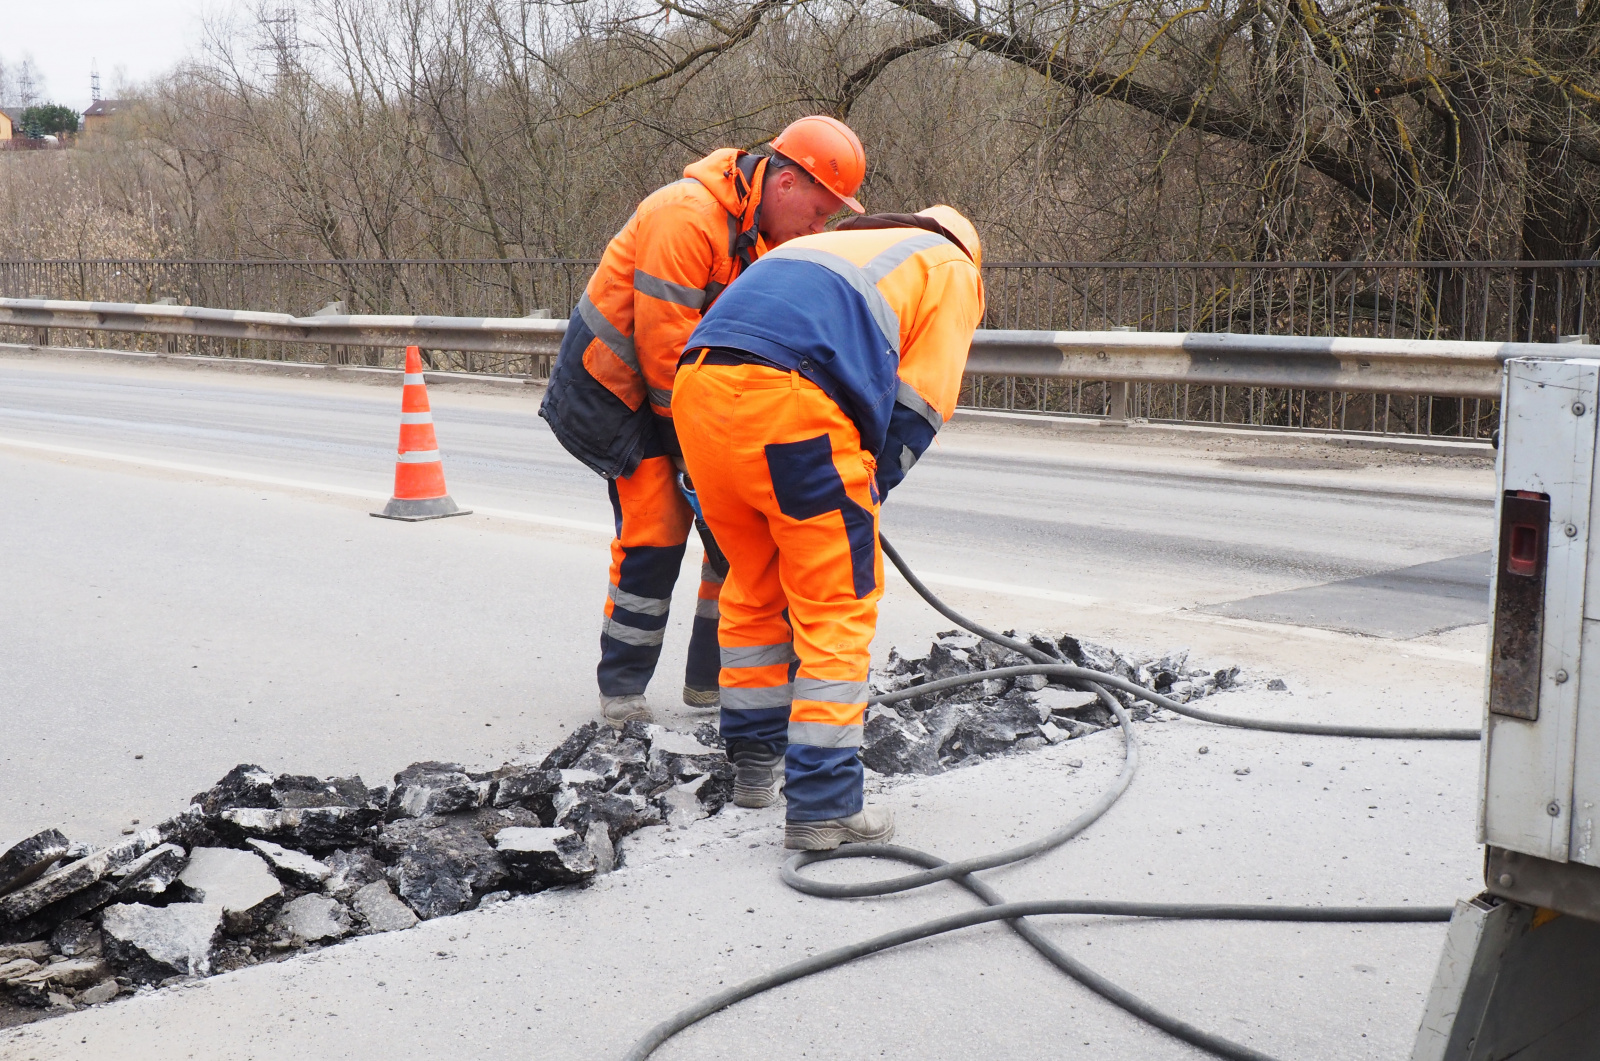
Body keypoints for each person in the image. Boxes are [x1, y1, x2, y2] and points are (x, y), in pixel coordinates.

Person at [672, 206, 985, 848]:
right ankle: (824, 804)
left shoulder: (821, 248)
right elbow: (923, 400)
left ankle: (755, 772)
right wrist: (874, 484)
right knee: (834, 605)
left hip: (698, 392)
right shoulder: (951, 266)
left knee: (753, 586)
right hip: (790, 405)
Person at [539, 117, 868, 729]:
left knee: (737, 535)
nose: (820, 228)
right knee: (657, 528)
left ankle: (711, 681)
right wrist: (698, 451)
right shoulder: (685, 215)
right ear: (787, 182)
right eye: (820, 212)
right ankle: (623, 689)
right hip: (620, 392)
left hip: (688, 393)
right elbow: (664, 348)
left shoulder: (768, 238)